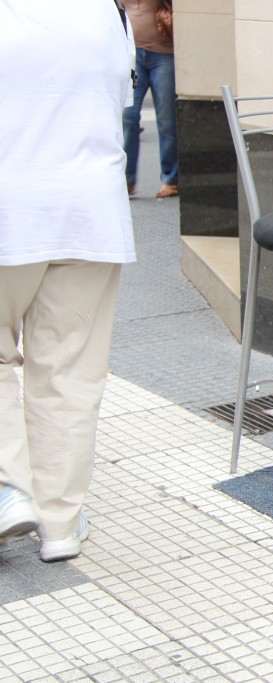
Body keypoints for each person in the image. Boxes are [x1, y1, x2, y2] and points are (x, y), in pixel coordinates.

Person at [0, 0, 136, 561]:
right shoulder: (108, 14)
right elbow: (113, 104)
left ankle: (8, 489)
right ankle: (59, 524)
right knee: (69, 372)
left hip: (10, 207)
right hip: (90, 214)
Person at [122, 0, 178, 198]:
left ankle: (170, 179)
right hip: (133, 55)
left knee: (166, 120)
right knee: (128, 116)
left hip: (163, 55)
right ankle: (127, 180)